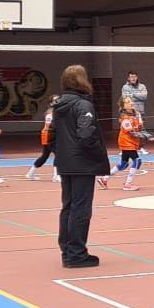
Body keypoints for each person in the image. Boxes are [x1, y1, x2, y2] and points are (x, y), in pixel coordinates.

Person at [49, 64, 109, 268]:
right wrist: (96, 156)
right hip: (82, 163)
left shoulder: (58, 105)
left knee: (68, 206)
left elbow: (51, 137)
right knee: (80, 208)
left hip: (66, 163)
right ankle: (76, 253)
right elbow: (86, 135)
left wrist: (64, 154)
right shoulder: (83, 105)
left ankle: (68, 250)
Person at [113, 96, 146, 190]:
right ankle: (128, 184)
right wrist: (146, 136)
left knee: (124, 164)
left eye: (131, 101)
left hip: (132, 142)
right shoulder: (124, 118)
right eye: (128, 102)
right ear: (123, 106)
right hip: (126, 142)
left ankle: (104, 178)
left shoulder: (137, 114)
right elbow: (132, 133)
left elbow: (139, 127)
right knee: (137, 161)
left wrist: (140, 124)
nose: (131, 103)